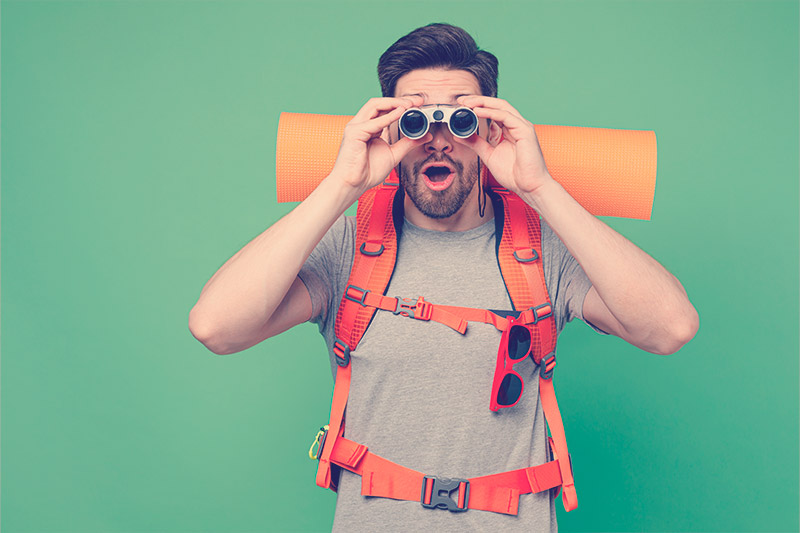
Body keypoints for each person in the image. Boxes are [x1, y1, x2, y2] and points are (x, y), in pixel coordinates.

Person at [189, 23, 699, 532]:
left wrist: (538, 186)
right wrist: (343, 183)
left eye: (460, 119)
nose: (437, 140)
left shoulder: (541, 251)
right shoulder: (348, 249)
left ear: (489, 127)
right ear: (390, 126)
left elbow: (670, 327)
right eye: (414, 118)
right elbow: (216, 327)